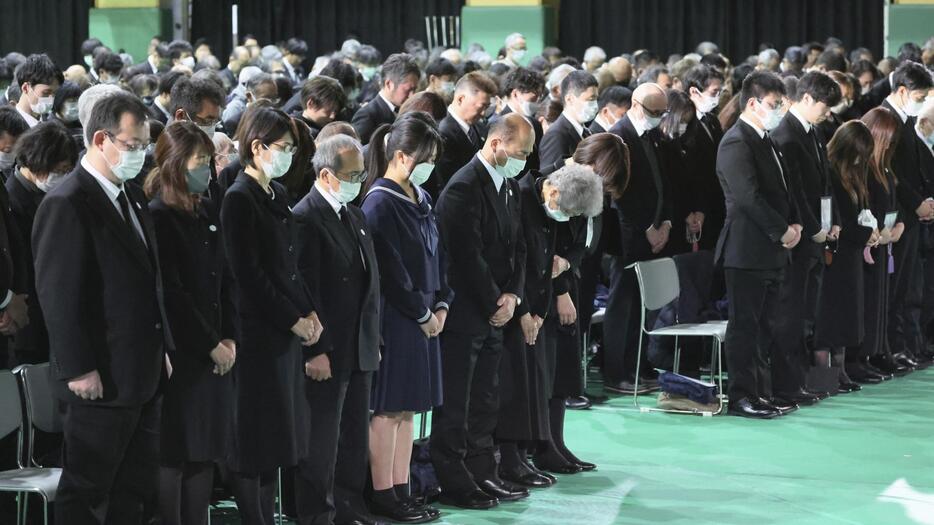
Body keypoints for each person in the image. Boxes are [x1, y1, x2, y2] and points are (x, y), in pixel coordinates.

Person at [33, 92, 171, 523]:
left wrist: (161, 346)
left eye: (144, 145)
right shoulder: (68, 201)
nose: (140, 154)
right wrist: (77, 367)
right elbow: (59, 295)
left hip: (140, 372)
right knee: (87, 492)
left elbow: (149, 283)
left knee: (134, 490)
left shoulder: (128, 194)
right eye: (131, 146)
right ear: (99, 139)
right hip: (98, 378)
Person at [220, 107, 319, 525]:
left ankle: (267, 513)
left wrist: (308, 308)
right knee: (256, 437)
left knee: (278, 436)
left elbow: (288, 265)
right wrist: (291, 317)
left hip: (282, 332)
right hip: (257, 331)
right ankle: (254, 517)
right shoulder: (239, 197)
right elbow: (248, 274)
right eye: (283, 148)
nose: (289, 156)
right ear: (256, 147)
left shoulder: (274, 193)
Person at [430, 113, 533, 510]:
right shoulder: (462, 187)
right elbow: (465, 256)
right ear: (496, 144)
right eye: (521, 151)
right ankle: (455, 478)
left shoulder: (509, 185)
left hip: (497, 311)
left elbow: (519, 247)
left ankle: (483, 471)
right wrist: (496, 300)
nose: (525, 159)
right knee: (458, 401)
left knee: (486, 398)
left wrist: (513, 297)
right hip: (467, 313)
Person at [144, 121, 237, 525]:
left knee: (205, 451)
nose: (211, 170)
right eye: (202, 162)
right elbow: (172, 294)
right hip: (183, 355)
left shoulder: (205, 210)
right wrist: (210, 344)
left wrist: (230, 338)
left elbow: (226, 280)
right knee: (177, 452)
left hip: (217, 351)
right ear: (178, 164)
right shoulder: (159, 217)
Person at [360, 112, 449, 523]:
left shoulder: (421, 198)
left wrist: (443, 303)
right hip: (399, 319)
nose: (430, 166)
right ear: (400, 155)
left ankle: (403, 486)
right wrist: (422, 311)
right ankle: (383, 493)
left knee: (409, 408)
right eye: (424, 158)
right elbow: (390, 271)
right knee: (388, 409)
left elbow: (437, 254)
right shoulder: (379, 203)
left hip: (427, 315)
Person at [292, 135, 382, 525]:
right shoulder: (305, 217)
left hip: (358, 345)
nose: (360, 180)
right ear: (326, 174)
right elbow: (303, 291)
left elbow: (369, 281)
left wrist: (373, 338)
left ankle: (349, 506)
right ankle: (317, 515)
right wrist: (316, 349)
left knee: (352, 439)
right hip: (326, 350)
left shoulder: (353, 213)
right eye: (353, 174)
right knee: (321, 443)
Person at [715, 71, 801, 419]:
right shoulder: (737, 141)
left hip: (771, 249)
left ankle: (762, 391)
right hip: (746, 249)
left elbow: (782, 189)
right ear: (752, 102)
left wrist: (794, 223)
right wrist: (781, 230)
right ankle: (741, 396)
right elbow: (747, 197)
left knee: (766, 326)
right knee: (745, 327)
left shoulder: (766, 138)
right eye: (774, 104)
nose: (779, 110)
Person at [768, 71, 843, 406]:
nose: (828, 113)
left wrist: (834, 221)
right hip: (800, 238)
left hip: (817, 235)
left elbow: (825, 183)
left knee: (805, 314)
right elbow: (794, 193)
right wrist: (812, 227)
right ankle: (786, 383)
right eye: (824, 105)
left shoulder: (813, 131)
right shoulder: (785, 133)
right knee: (790, 314)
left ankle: (799, 379)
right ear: (807, 98)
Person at [603, 82, 673, 394]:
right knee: (623, 307)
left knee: (645, 307)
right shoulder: (618, 135)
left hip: (654, 232)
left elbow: (665, 181)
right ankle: (616, 370)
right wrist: (648, 227)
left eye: (662, 113)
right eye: (652, 112)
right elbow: (619, 193)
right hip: (627, 236)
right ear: (634, 104)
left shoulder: (653, 134)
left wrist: (666, 222)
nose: (657, 117)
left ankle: (637, 364)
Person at [813, 121, 879, 392]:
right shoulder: (829, 173)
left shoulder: (854, 175)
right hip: (834, 256)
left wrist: (870, 231)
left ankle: (839, 371)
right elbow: (837, 220)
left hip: (850, 256)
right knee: (827, 320)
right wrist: (866, 234)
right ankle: (822, 375)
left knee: (845, 319)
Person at [7, 121, 77, 366]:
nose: (64, 176)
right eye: (61, 169)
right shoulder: (12, 201)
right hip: (29, 323)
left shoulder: (56, 197)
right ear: (38, 162)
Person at [881, 61, 934, 370]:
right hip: (896, 217)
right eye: (920, 95)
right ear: (902, 91)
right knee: (896, 286)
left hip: (910, 217)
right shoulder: (886, 120)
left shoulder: (905, 120)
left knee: (909, 285)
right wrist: (916, 203)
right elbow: (889, 172)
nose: (923, 101)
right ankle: (893, 348)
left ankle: (905, 346)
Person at [851, 107, 905, 385]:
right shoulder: (863, 170)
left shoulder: (884, 167)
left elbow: (894, 205)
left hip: (884, 242)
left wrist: (898, 227)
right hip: (869, 244)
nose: (888, 144)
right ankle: (860, 355)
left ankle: (876, 350)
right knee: (867, 301)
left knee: (881, 299)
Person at [433, 72, 498, 199]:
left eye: (487, 107)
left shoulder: (479, 128)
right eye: (481, 107)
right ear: (460, 99)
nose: (484, 113)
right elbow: (446, 181)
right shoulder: (442, 133)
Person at [682, 64, 727, 251]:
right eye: (714, 92)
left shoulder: (711, 119)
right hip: (696, 208)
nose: (717, 97)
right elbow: (684, 173)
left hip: (716, 202)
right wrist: (693, 210)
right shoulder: (683, 123)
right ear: (694, 91)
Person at [351, 53, 420, 144]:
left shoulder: (409, 111)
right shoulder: (367, 116)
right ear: (389, 84)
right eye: (408, 90)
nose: (412, 95)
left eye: (415, 90)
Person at [540, 70, 599, 175]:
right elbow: (549, 178)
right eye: (590, 99)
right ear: (570, 99)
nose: (595, 105)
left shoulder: (586, 131)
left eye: (596, 99)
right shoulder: (556, 135)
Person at [14, 53, 63, 127]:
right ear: (26, 88)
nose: (51, 98)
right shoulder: (7, 128)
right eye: (46, 92)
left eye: (55, 93)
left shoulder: (52, 125)